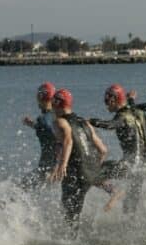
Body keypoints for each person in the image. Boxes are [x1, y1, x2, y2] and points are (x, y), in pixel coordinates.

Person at [48, 89, 120, 230]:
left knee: (70, 217)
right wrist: (93, 167)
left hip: (76, 174)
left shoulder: (59, 122)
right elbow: (103, 150)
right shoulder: (85, 123)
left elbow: (68, 141)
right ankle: (114, 191)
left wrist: (61, 165)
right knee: (88, 185)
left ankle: (72, 242)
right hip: (92, 172)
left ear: (56, 104)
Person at [89, 84, 146, 213]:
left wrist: (91, 121)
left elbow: (110, 125)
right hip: (144, 168)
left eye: (107, 101)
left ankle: (114, 191)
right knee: (129, 208)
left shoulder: (121, 117)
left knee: (91, 172)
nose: (106, 105)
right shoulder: (139, 113)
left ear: (113, 100)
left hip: (129, 166)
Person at [20, 82, 58, 190]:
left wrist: (56, 168)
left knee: (21, 188)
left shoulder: (44, 119)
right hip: (52, 167)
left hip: (48, 168)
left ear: (40, 97)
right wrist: (33, 125)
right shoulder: (56, 115)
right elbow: (50, 132)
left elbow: (59, 140)